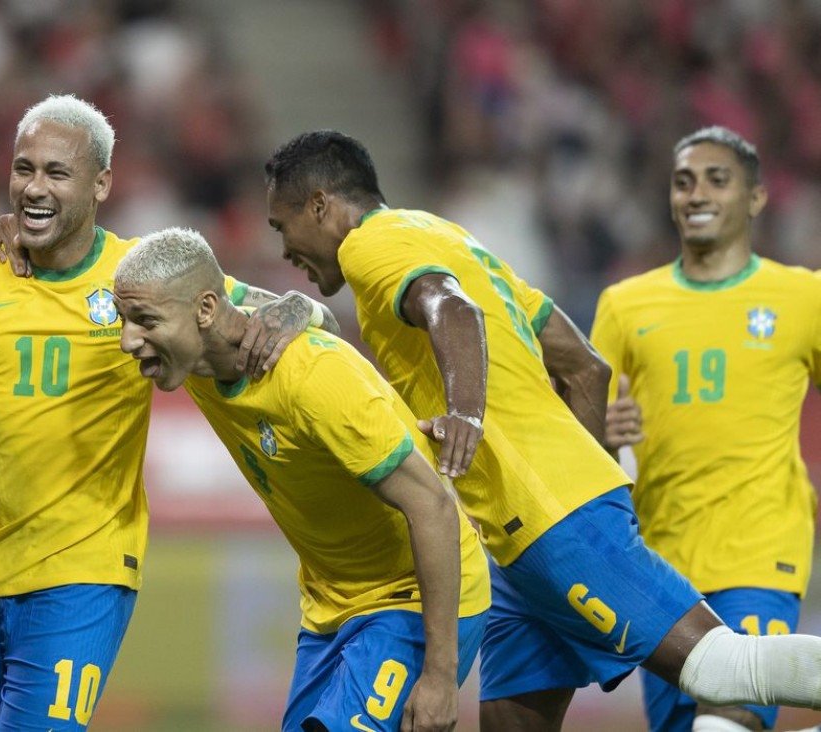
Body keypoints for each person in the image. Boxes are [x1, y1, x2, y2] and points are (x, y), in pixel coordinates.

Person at [262, 130, 821, 731]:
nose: (285, 247)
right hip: (517, 540)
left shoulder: (369, 246)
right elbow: (585, 367)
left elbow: (452, 309)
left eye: (281, 225)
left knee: (721, 669)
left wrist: (469, 417)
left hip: (553, 523)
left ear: (319, 205)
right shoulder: (447, 237)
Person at [0, 94, 337, 732]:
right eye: (24, 168)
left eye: (57, 173)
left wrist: (281, 319)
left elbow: (309, 311)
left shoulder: (141, 278)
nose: (34, 188)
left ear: (102, 184)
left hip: (83, 571)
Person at [113, 226, 490, 732]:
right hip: (330, 606)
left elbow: (435, 508)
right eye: (124, 319)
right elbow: (304, 311)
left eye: (144, 321)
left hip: (412, 599)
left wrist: (441, 679)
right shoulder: (194, 349)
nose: (126, 340)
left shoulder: (313, 378)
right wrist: (301, 304)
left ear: (205, 311)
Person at [591, 126, 821, 732]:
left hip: (760, 552)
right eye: (684, 181)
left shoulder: (802, 298)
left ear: (756, 198)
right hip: (660, 569)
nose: (697, 193)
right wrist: (605, 431)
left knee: (728, 720)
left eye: (718, 180)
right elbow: (579, 435)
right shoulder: (624, 304)